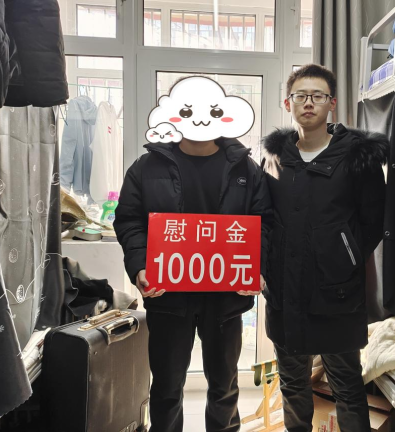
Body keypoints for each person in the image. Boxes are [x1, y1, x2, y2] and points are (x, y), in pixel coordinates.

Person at [114, 76, 271, 432]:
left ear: (223, 114)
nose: (199, 118)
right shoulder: (146, 167)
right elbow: (128, 221)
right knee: (167, 388)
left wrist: (257, 268)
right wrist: (139, 266)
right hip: (168, 295)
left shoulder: (246, 168)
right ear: (173, 114)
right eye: (188, 111)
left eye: (209, 110)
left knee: (224, 387)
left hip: (226, 297)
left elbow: (264, 222)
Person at [261, 64, 387, 431]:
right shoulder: (273, 157)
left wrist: (342, 256)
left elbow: (373, 221)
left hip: (338, 291)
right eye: (301, 96)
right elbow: (263, 218)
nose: (308, 103)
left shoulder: (358, 157)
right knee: (292, 383)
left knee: (347, 385)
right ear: (288, 103)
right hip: (284, 290)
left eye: (317, 96)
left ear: (331, 103)